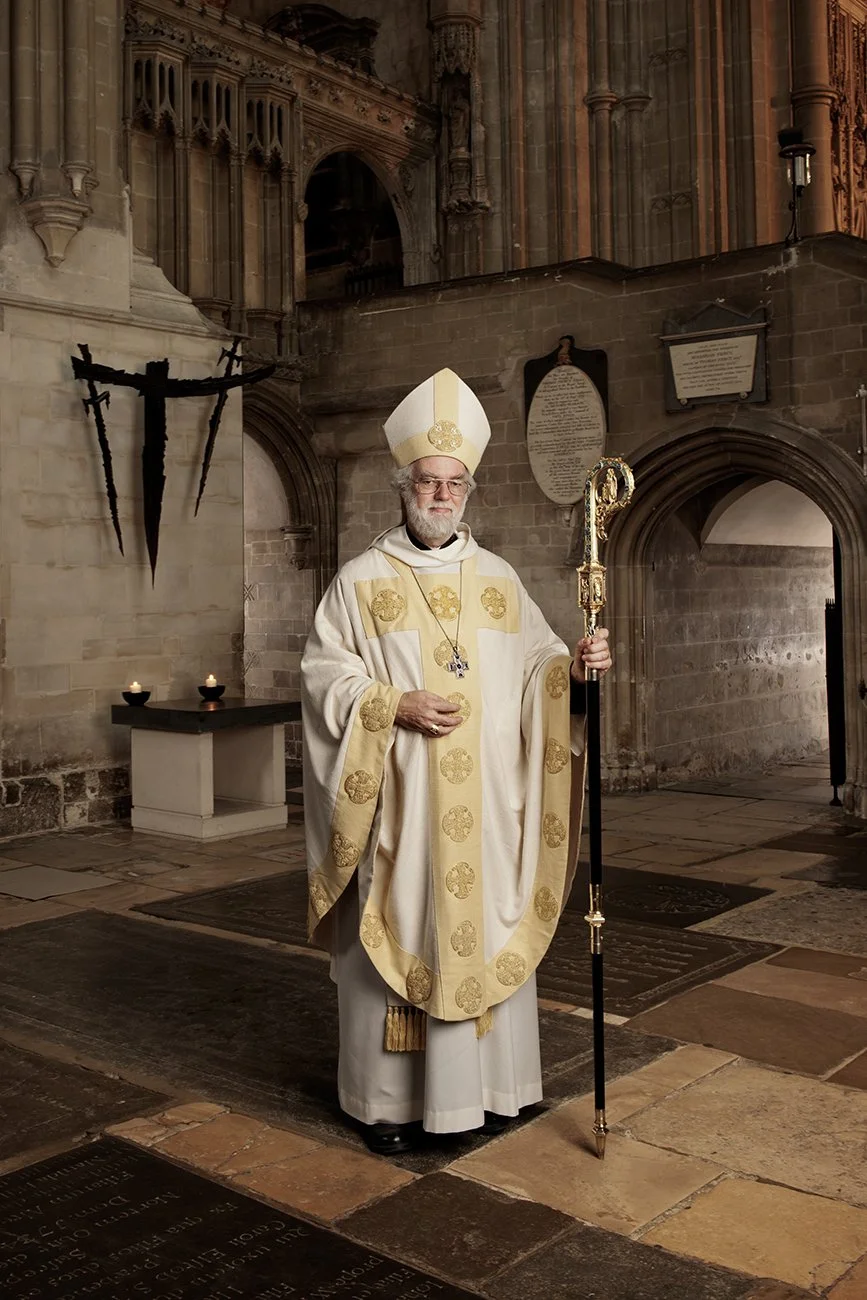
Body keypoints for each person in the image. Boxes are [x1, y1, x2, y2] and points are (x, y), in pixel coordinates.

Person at [301, 368, 612, 1155]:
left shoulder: (499, 581)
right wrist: (388, 704)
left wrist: (576, 673)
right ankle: (388, 1109)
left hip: (486, 815)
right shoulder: (359, 583)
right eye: (428, 481)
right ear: (403, 486)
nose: (441, 496)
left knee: (484, 928)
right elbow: (323, 677)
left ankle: (495, 1094)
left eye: (454, 483)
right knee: (402, 933)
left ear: (468, 490)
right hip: (402, 812)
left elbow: (538, 670)